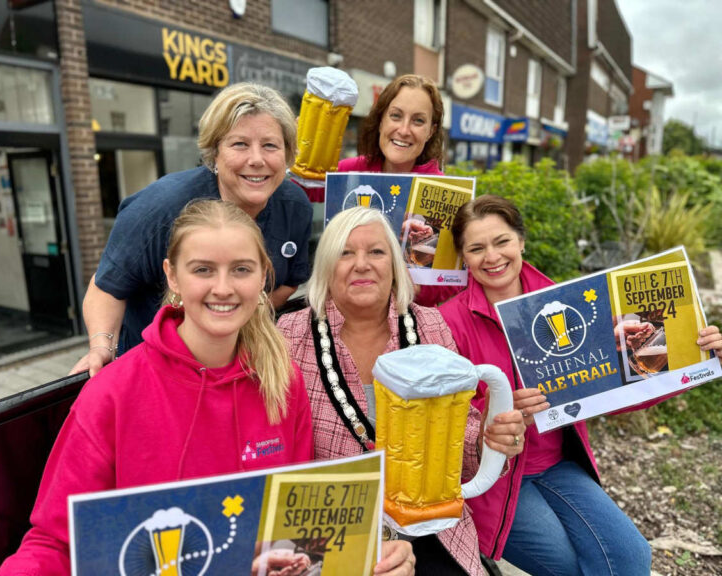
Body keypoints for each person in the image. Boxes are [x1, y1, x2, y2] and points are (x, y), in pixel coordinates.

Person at [0, 200, 314, 575]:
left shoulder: (283, 382)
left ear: (263, 276)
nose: (223, 288)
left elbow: (294, 524)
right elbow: (57, 542)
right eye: (203, 269)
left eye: (241, 269)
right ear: (173, 276)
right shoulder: (111, 394)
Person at [439, 194, 722, 576]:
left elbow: (613, 389)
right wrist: (498, 406)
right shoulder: (446, 322)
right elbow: (442, 420)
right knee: (569, 568)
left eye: (502, 241)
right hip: (498, 478)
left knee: (632, 556)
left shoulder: (564, 301)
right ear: (463, 257)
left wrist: (696, 361)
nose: (492, 256)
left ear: (521, 241)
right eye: (476, 248)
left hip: (557, 465)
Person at [277, 206, 526, 576]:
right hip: (329, 524)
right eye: (346, 252)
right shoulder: (289, 335)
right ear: (327, 266)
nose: (362, 264)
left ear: (395, 264)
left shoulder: (431, 327)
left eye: (376, 252)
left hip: (428, 522)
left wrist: (491, 439)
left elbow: (462, 443)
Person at [73, 82, 313, 377]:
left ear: (288, 154)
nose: (256, 159)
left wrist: (242, 319)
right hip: (154, 370)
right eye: (239, 144)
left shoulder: (295, 206)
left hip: (235, 366)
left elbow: (288, 281)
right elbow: (106, 288)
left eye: (270, 145)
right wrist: (101, 348)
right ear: (215, 153)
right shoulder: (160, 209)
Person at [336, 74, 459, 307]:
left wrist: (418, 289)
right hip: (345, 310)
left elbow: (450, 279)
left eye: (418, 121)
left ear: (430, 131)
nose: (404, 130)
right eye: (395, 116)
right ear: (381, 119)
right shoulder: (349, 172)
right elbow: (298, 192)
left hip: (406, 319)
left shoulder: (441, 190)